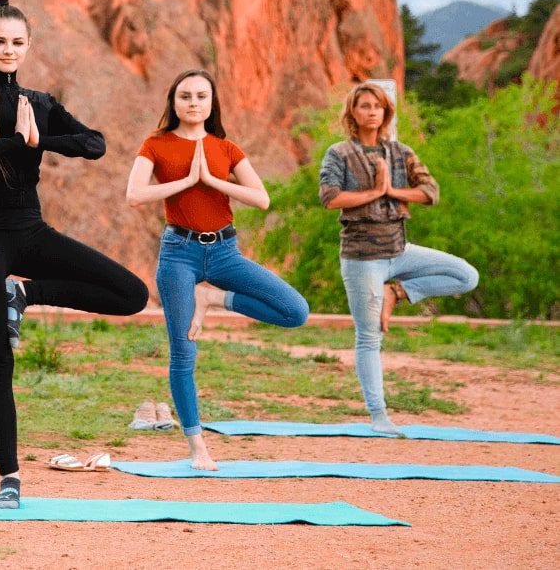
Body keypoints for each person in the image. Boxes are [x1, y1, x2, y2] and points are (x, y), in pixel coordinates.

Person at [0, 0, 149, 508]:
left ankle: (27, 295)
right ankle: (9, 479)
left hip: (30, 231)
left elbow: (95, 144)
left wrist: (41, 141)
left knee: (132, 294)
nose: (8, 50)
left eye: (17, 42)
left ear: (28, 46)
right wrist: (16, 142)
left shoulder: (41, 102)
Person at [126, 69, 309, 470]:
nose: (193, 103)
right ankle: (198, 447)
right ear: (173, 102)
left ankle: (213, 296)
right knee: (183, 352)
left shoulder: (226, 148)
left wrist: (211, 180)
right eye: (185, 96)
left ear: (212, 103)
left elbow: (261, 199)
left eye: (201, 97)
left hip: (225, 251)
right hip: (178, 254)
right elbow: (135, 194)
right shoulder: (156, 145)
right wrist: (186, 182)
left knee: (295, 311)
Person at [319, 82, 479, 435]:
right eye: (364, 105)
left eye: (377, 105)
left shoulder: (401, 152)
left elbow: (430, 193)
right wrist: (372, 192)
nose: (371, 111)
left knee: (466, 276)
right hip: (363, 258)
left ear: (385, 112)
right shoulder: (339, 153)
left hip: (399, 250)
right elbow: (329, 198)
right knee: (369, 335)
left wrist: (390, 190)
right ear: (353, 112)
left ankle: (398, 293)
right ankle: (379, 416)